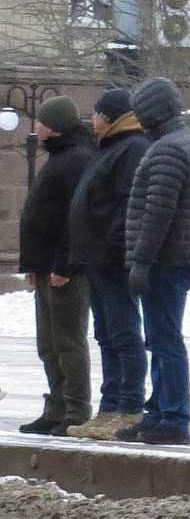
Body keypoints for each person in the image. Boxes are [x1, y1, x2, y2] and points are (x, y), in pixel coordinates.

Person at [117, 77, 190, 446]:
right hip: (172, 258)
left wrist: (141, 261)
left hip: (165, 261)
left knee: (165, 339)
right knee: (160, 338)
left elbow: (157, 212)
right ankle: (160, 411)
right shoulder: (177, 144)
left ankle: (173, 416)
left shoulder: (168, 150)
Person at [64, 90, 147, 440]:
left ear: (110, 116)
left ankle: (129, 406)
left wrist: (111, 248)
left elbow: (126, 205)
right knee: (106, 334)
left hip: (111, 258)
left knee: (124, 333)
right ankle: (110, 404)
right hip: (94, 257)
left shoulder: (131, 148)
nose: (91, 118)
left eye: (96, 112)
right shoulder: (107, 148)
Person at [17, 95, 96, 435]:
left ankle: (76, 409)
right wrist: (35, 265)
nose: (35, 126)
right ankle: (57, 406)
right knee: (48, 342)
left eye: (40, 121)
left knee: (67, 341)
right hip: (45, 265)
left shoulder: (77, 159)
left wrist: (64, 265)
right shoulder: (60, 157)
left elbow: (75, 219)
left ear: (53, 125)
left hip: (63, 268)